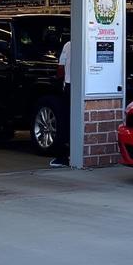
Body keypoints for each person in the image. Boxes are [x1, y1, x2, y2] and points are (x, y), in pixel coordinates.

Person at [49, 38, 71, 168]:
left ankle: (64, 156)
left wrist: (59, 81)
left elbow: (61, 68)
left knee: (65, 121)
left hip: (70, 85)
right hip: (90, 87)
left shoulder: (68, 45)